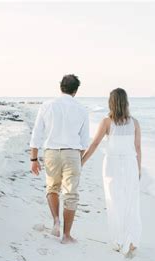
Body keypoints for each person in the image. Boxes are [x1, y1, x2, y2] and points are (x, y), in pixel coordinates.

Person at [81, 88, 142, 257]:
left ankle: (118, 240)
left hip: (112, 164)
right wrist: (138, 169)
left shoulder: (107, 122)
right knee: (130, 202)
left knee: (114, 201)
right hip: (130, 164)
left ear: (111, 102)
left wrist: (82, 162)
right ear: (126, 102)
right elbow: (137, 148)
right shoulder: (135, 122)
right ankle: (131, 240)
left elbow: (94, 144)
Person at [29, 74, 89, 244]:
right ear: (75, 91)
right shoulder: (82, 109)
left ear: (60, 87)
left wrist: (33, 159)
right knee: (71, 194)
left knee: (52, 188)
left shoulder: (47, 106)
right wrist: (79, 160)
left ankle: (56, 220)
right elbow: (85, 141)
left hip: (51, 153)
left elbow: (37, 134)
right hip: (72, 153)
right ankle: (67, 235)